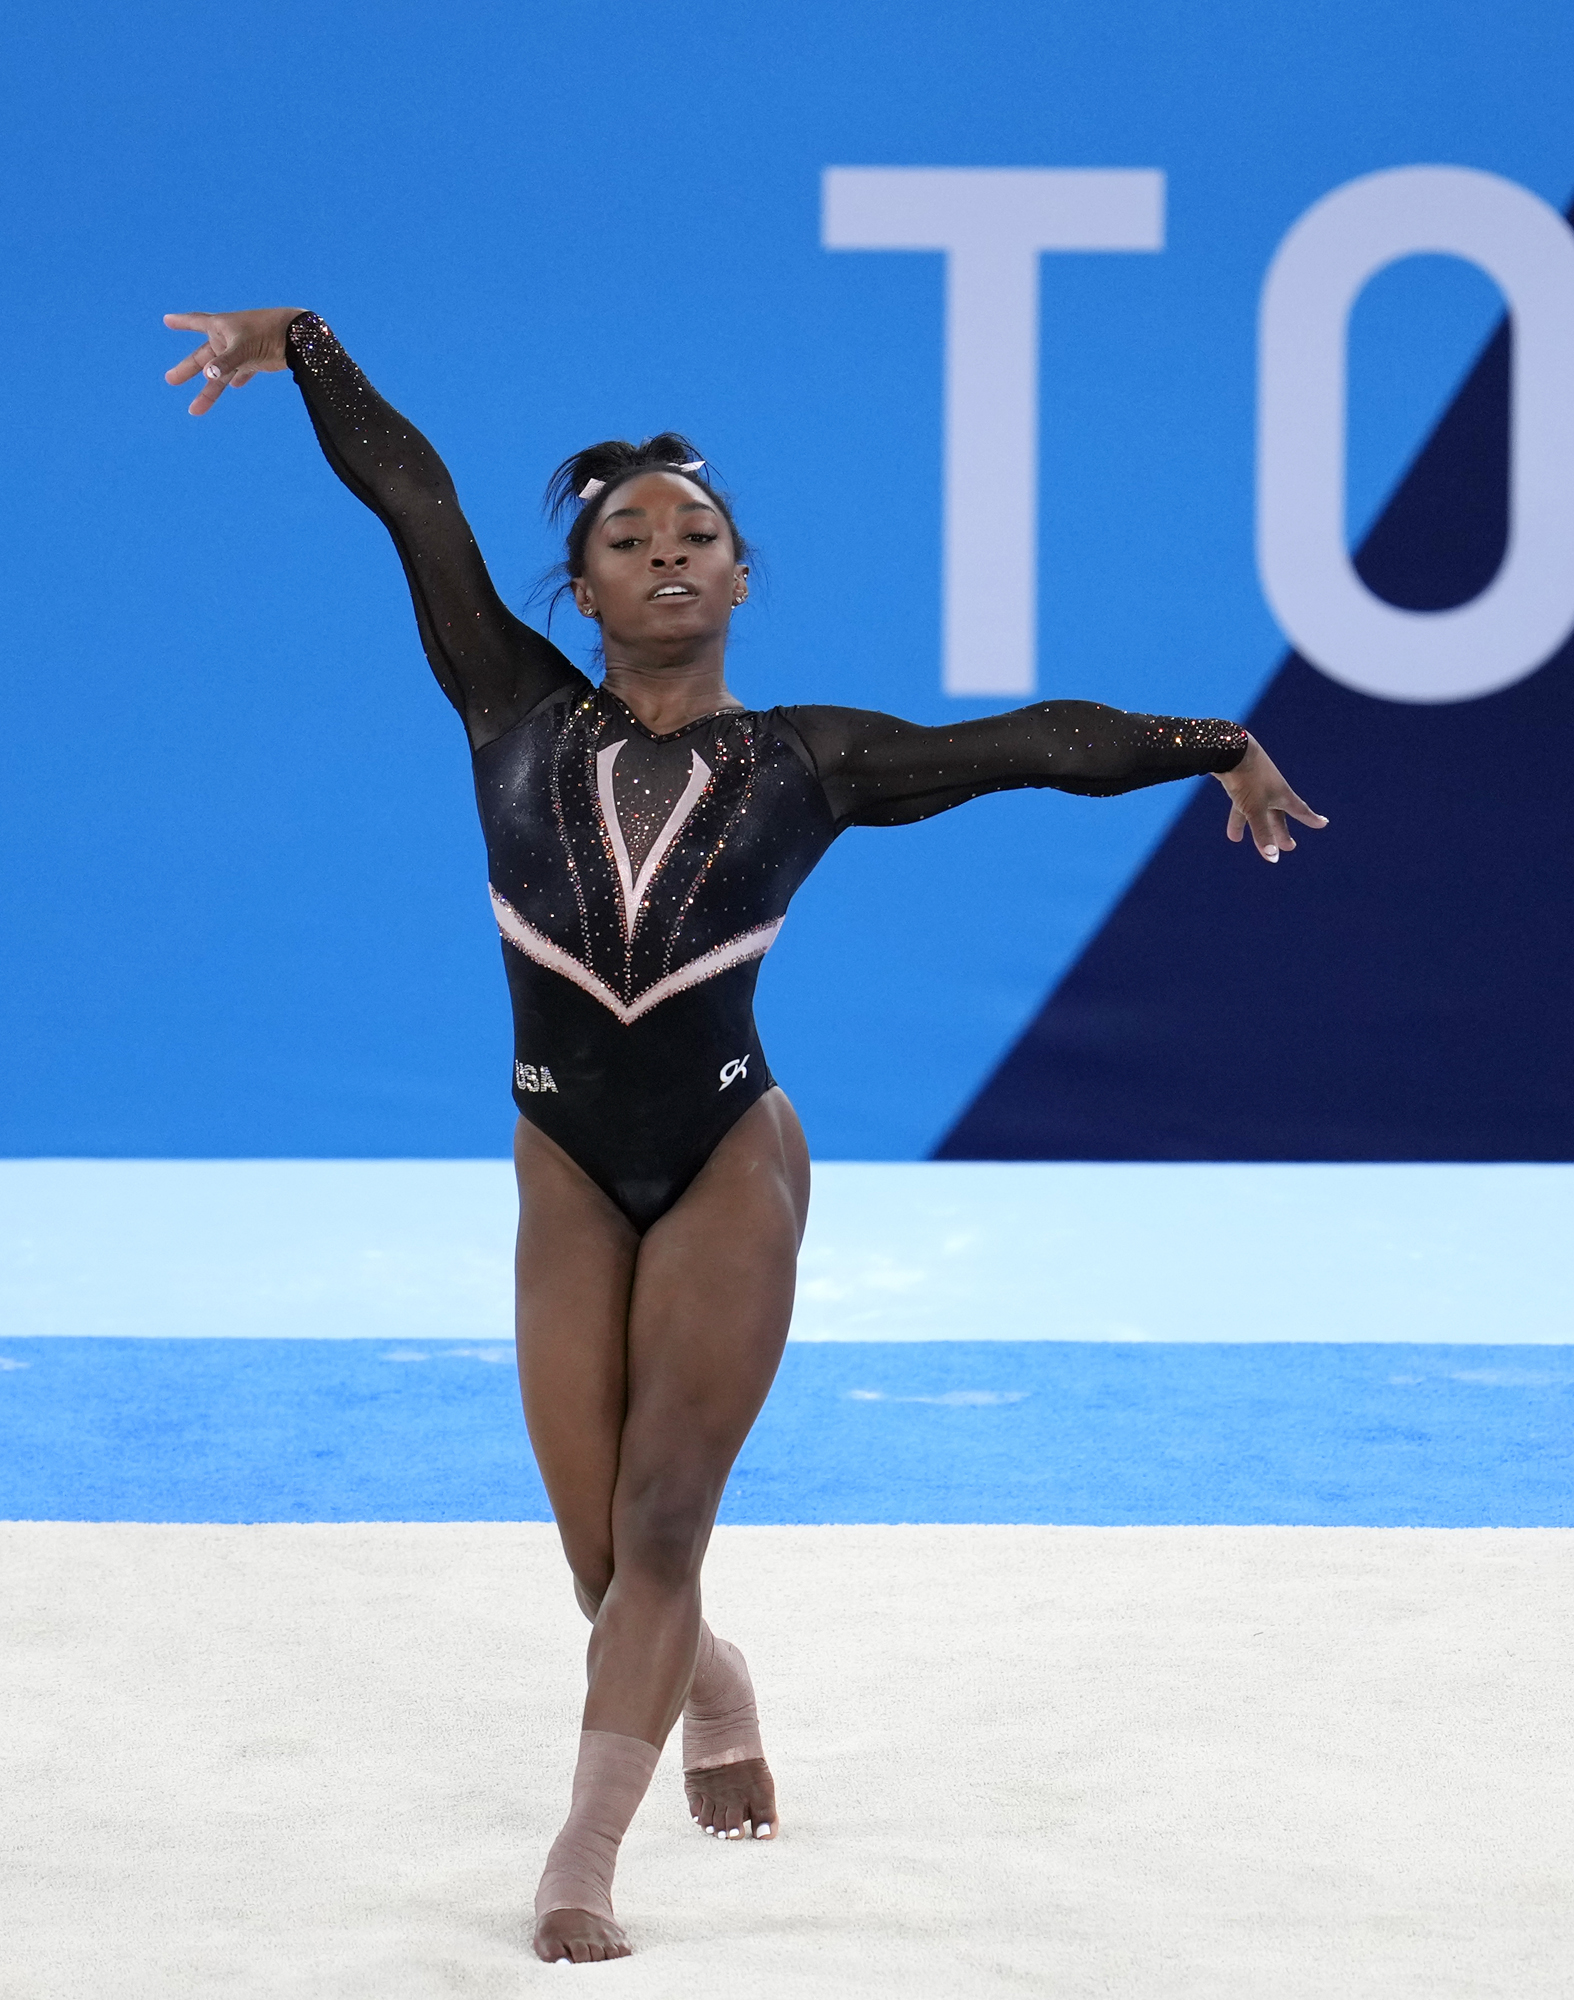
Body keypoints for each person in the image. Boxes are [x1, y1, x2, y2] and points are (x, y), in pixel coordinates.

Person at [161, 307, 1324, 1964]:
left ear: (743, 575)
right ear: (582, 593)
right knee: (594, 1563)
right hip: (564, 1166)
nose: (668, 556)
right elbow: (414, 503)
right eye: (628, 541)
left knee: (660, 1526)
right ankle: (712, 1679)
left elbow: (1027, 746)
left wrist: (1210, 743)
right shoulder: (507, 706)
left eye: (698, 534)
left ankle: (582, 1856)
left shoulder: (811, 762)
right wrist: (308, 350)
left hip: (725, 1161)